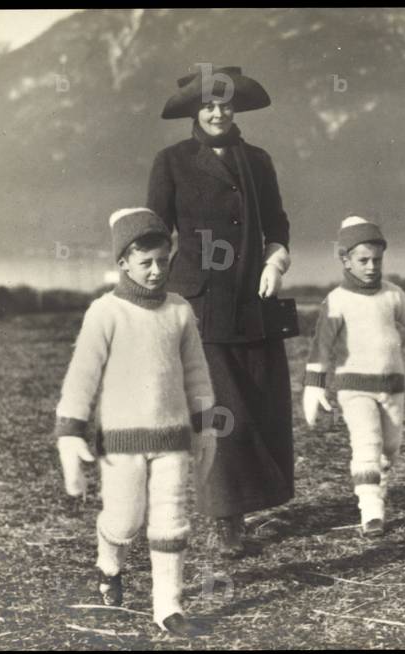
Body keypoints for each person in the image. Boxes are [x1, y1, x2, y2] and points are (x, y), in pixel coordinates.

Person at [147, 65, 294, 557]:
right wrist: (150, 287)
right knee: (221, 411)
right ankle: (225, 518)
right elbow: (154, 231)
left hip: (255, 301)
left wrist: (275, 261)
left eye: (225, 104)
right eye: (208, 105)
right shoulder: (171, 162)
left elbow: (277, 224)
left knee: (260, 402)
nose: (217, 113)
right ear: (195, 111)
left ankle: (249, 505)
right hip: (200, 305)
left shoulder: (257, 161)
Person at [53, 208, 217, 636]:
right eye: (146, 262)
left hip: (173, 437)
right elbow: (83, 375)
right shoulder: (105, 312)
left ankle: (168, 606)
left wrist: (205, 425)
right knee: (124, 520)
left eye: (163, 260)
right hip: (121, 441)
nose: (157, 270)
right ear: (123, 262)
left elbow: (197, 372)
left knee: (171, 520)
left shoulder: (180, 311)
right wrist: (69, 433)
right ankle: (109, 564)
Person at [302, 216, 405, 536]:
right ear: (346, 260)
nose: (371, 267)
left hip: (393, 386)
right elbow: (321, 347)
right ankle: (371, 511)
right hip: (354, 388)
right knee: (366, 444)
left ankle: (377, 484)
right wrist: (314, 387)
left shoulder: (392, 294)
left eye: (376, 260)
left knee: (390, 447)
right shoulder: (337, 301)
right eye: (363, 260)